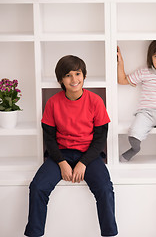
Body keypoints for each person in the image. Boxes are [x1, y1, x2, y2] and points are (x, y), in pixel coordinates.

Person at [24, 55, 118, 237]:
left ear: (84, 75)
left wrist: (83, 163)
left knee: (105, 188)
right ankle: (34, 233)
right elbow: (49, 138)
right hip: (60, 154)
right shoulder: (53, 103)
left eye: (78, 73)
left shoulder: (95, 101)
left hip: (89, 155)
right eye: (68, 75)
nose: (74, 79)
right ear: (60, 79)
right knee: (37, 187)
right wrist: (61, 163)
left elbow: (100, 139)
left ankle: (109, 233)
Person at [117, 40, 156, 163]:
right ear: (150, 57)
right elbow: (122, 80)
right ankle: (134, 149)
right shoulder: (144, 72)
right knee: (134, 132)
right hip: (146, 112)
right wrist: (121, 62)